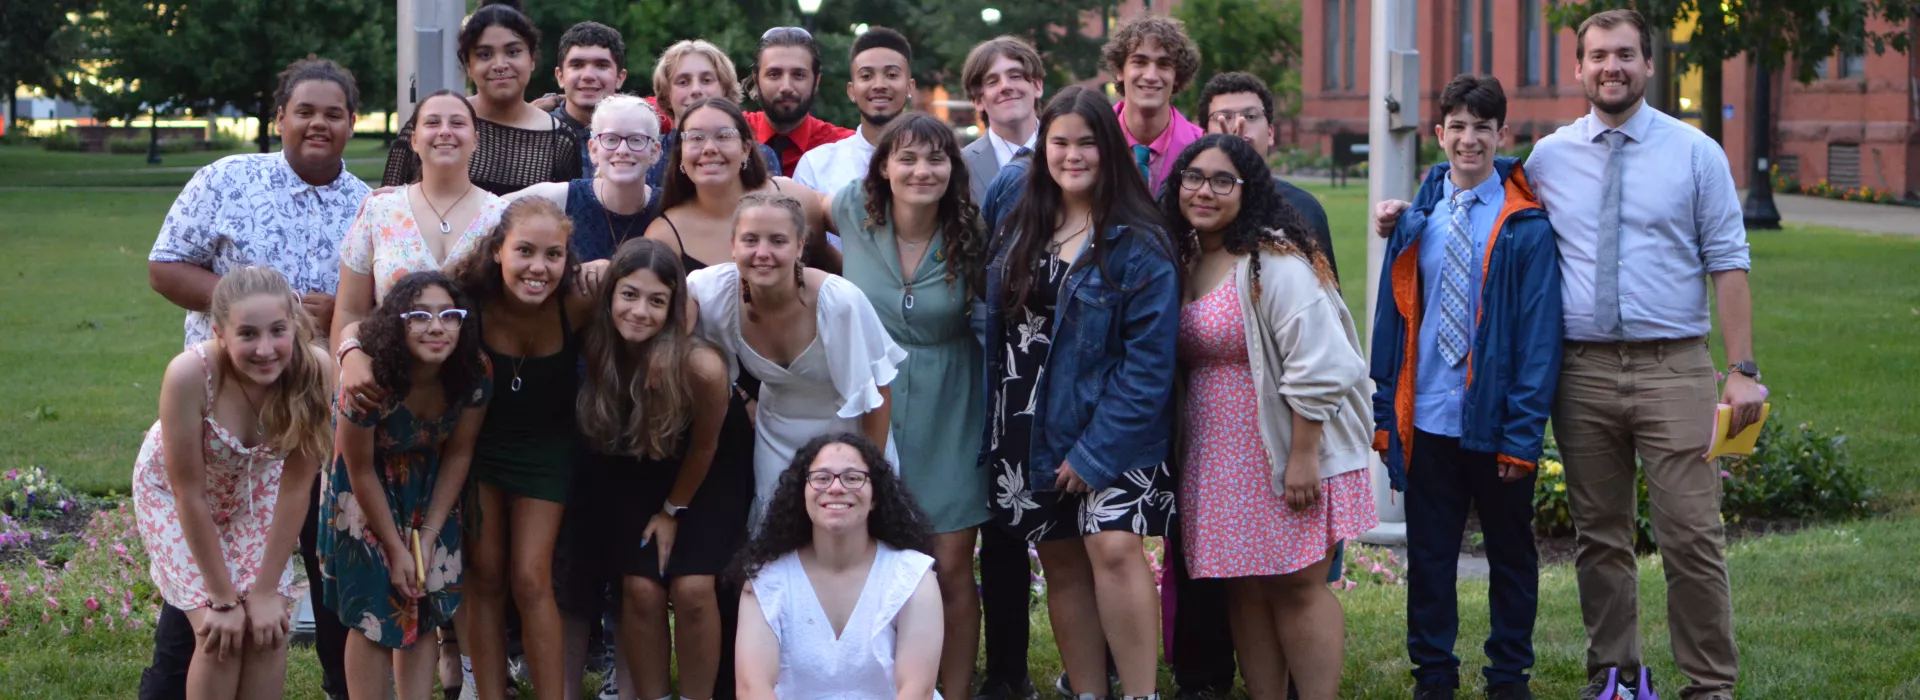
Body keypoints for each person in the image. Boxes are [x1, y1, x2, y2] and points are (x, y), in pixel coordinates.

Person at [1374, 11, 1759, 700]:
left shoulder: (1694, 153)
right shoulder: (1550, 158)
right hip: (1581, 371)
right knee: (1599, 536)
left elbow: (1729, 261)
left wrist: (1742, 369)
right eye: (1598, 56)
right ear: (1579, 68)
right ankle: (1614, 676)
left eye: (1626, 55)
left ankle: (1709, 685)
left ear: (1648, 64)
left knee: (1691, 535)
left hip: (1673, 366)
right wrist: (1412, 204)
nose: (1612, 67)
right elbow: (1473, 180)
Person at [142, 57, 367, 700]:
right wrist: (269, 315)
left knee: (326, 564)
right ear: (280, 117)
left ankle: (342, 686)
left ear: (352, 122)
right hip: (223, 417)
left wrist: (341, 310)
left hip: (311, 411)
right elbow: (165, 267)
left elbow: (379, 301)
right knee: (205, 591)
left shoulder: (369, 205)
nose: (318, 124)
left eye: (333, 113)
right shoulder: (227, 179)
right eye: (305, 111)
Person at [979, 86, 1179, 700]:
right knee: (1061, 560)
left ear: (1108, 148)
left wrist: (1094, 453)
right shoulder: (1021, 222)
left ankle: (1141, 693)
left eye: (1086, 142)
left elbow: (1149, 366)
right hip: (1026, 424)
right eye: (1059, 142)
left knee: (1114, 550)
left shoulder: (1139, 242)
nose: (1072, 155)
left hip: (1113, 429)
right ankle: (1088, 691)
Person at [1163, 134, 1379, 700]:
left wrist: (1303, 458)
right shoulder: (1187, 256)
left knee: (1296, 586)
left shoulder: (1272, 261)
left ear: (1248, 190)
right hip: (1217, 453)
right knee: (1244, 588)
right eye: (1193, 177)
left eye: (1222, 180)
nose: (1204, 191)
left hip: (1283, 447)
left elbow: (1324, 364)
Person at [1369, 75, 1561, 700]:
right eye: (1457, 126)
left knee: (1511, 553)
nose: (1469, 139)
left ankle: (1508, 674)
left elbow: (1538, 341)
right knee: (1429, 556)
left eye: (1483, 127)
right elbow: (1392, 323)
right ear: (1439, 133)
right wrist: (1385, 414)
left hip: (1496, 422)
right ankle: (1434, 673)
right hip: (1427, 417)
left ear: (1503, 134)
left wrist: (1522, 436)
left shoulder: (1526, 227)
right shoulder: (1417, 220)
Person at [826, 112, 990, 699]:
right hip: (874, 400)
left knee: (950, 563)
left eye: (936, 159)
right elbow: (786, 204)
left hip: (953, 403)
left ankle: (955, 690)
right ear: (883, 168)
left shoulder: (972, 230)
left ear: (953, 169)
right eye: (908, 158)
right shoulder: (852, 210)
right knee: (879, 557)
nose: (922, 170)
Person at [132, 266, 335, 700]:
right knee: (219, 634)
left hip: (255, 489)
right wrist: (222, 599)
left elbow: (296, 487)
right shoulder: (190, 375)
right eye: (247, 334)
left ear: (294, 325)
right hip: (174, 495)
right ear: (219, 334)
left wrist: (265, 591)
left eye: (277, 331)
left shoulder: (316, 371)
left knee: (268, 630)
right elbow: (188, 492)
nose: (265, 349)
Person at [573, 238, 744, 700]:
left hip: (706, 473)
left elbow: (706, 446)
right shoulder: (598, 342)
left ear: (673, 308)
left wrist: (671, 512)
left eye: (657, 301)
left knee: (692, 589)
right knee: (641, 590)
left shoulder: (700, 366)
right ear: (611, 293)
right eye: (629, 294)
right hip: (636, 466)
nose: (640, 312)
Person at [321, 271, 491, 700]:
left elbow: (459, 453)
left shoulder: (474, 371)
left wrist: (429, 535)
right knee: (373, 613)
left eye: (449, 316)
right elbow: (358, 468)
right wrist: (396, 550)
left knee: (423, 603)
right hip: (365, 490)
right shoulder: (369, 378)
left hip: (429, 486)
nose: (437, 327)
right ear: (397, 322)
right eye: (419, 316)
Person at [687, 190, 903, 525]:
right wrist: (743, 397)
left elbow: (878, 393)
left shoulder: (839, 303)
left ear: (800, 246)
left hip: (848, 433)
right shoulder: (711, 290)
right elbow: (671, 317)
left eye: (778, 241)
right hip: (776, 436)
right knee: (778, 536)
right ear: (733, 245)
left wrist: (869, 473)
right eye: (750, 240)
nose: (762, 253)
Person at [732, 433, 943, 700]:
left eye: (853, 478)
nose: (836, 487)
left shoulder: (913, 575)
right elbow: (752, 688)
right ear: (802, 493)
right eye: (821, 478)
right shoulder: (766, 578)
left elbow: (918, 690)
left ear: (875, 497)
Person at [333, 90, 511, 344]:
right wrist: (347, 361)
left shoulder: (502, 217)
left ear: (475, 140)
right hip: (389, 365)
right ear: (414, 140)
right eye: (433, 122)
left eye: (457, 123)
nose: (445, 131)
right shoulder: (379, 211)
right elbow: (350, 311)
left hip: (479, 366)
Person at [381, 2, 583, 195]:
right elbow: (388, 208)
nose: (500, 64)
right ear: (468, 65)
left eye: (513, 52)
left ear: (531, 59)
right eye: (485, 55)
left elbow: (567, 216)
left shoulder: (559, 140)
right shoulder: (432, 127)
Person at [644, 97, 839, 275]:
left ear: (745, 149)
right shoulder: (664, 236)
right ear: (680, 153)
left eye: (723, 136)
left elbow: (835, 273)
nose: (709, 148)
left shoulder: (796, 199)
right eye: (695, 137)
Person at [510, 94, 663, 263]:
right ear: (594, 150)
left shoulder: (667, 206)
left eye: (636, 140)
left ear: (654, 152)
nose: (622, 150)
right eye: (611, 139)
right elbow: (489, 213)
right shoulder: (560, 199)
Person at [793, 27, 916, 197]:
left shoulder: (933, 167)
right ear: (851, 91)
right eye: (866, 76)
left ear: (910, 87)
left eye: (892, 75)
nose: (879, 85)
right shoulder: (816, 166)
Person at [645, 40, 783, 187]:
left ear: (725, 88)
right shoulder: (647, 155)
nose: (696, 90)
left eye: (706, 80)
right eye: (683, 82)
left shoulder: (761, 156)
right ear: (667, 93)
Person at [1102, 16, 1204, 194]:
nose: (1150, 76)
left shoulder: (1203, 147)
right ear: (1120, 70)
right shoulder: (1093, 139)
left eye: (1164, 64)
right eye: (1139, 62)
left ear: (1177, 75)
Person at [745, 27, 855, 176]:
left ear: (816, 81)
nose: (786, 87)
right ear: (756, 79)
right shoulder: (732, 134)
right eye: (774, 74)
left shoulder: (844, 147)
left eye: (798, 75)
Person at [960, 36, 1045, 205]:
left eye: (1015, 76)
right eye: (992, 82)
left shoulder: (1070, 153)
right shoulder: (960, 167)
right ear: (977, 101)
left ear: (1037, 86)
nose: (1005, 86)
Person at [548, 22, 630, 180]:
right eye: (577, 65)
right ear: (560, 77)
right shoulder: (537, 134)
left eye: (601, 65)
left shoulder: (640, 137)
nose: (588, 76)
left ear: (620, 78)